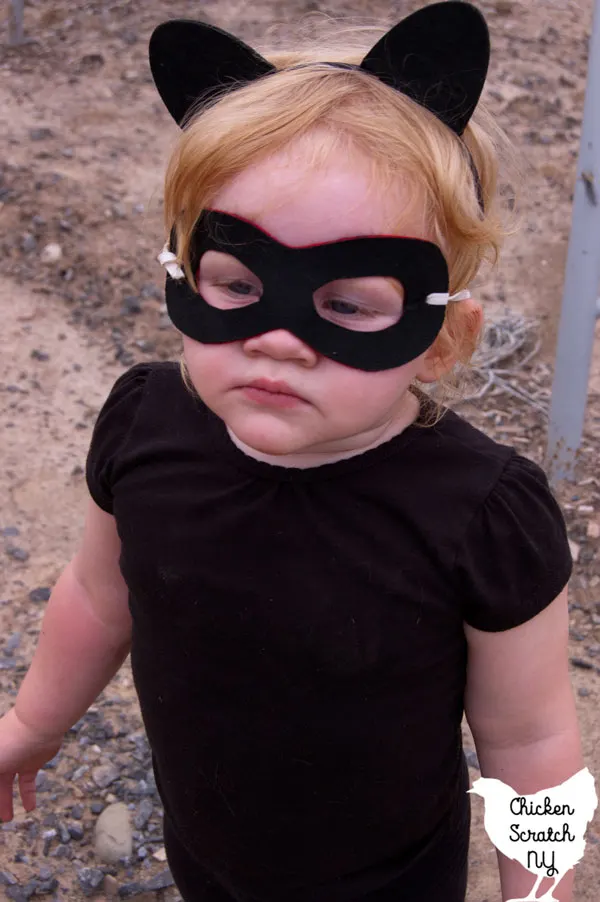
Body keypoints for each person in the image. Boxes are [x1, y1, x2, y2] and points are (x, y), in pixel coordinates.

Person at [0, 3, 583, 901]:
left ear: (441, 342)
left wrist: (537, 896)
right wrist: (33, 725)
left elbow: (533, 743)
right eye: (236, 284)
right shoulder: (144, 425)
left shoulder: (481, 516)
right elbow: (95, 591)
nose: (278, 340)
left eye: (347, 305)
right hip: (208, 856)